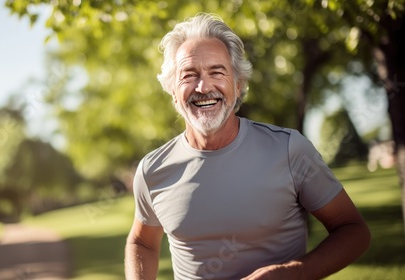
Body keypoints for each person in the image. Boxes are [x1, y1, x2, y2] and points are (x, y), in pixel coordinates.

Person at [124, 13, 371, 280]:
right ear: (173, 91)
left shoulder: (289, 149)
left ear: (238, 85)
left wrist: (293, 273)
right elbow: (143, 242)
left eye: (217, 72)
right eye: (189, 75)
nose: (203, 86)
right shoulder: (152, 170)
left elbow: (353, 230)